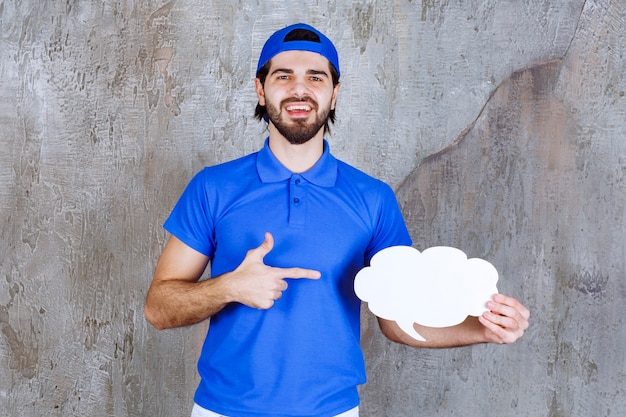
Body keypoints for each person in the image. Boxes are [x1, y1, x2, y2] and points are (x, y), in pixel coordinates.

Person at [144, 23, 530, 417]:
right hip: (222, 410)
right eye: (283, 76)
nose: (299, 90)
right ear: (261, 90)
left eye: (316, 77)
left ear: (334, 93)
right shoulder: (213, 188)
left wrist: (481, 329)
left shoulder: (373, 199)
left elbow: (397, 320)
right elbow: (158, 308)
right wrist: (227, 287)